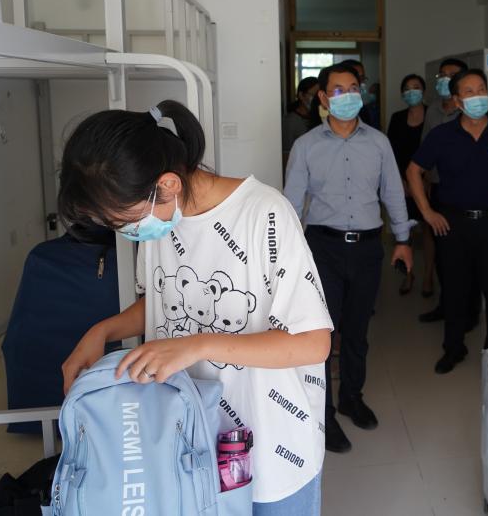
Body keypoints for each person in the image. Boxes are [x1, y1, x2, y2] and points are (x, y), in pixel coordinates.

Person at [58, 100, 332, 515]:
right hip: (187, 443)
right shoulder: (159, 220)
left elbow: (313, 343)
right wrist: (102, 332)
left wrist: (198, 344)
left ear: (167, 184)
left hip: (272, 447)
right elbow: (160, 302)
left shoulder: (265, 213)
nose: (127, 231)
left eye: (124, 221)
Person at [285, 63, 414, 453]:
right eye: (338, 90)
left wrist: (403, 240)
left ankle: (351, 398)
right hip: (322, 248)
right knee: (322, 334)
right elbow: (291, 204)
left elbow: (393, 192)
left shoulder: (379, 143)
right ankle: (323, 414)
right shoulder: (306, 145)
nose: (347, 96)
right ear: (324, 98)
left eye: (353, 87)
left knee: (357, 331)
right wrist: (287, 256)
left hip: (368, 248)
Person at [407, 68, 488, 373]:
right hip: (452, 224)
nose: (478, 96)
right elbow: (413, 170)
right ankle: (453, 349)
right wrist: (427, 212)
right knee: (455, 290)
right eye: (469, 92)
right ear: (456, 101)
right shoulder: (442, 135)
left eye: (481, 89)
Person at [417, 57, 468, 322]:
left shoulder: (471, 111)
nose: (446, 79)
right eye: (442, 75)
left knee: (465, 255)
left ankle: (467, 311)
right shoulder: (433, 111)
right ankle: (445, 305)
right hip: (437, 189)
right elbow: (423, 155)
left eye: (452, 74)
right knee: (443, 254)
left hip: (463, 193)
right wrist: (426, 189)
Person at [386, 73, 435, 296]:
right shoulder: (397, 118)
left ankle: (428, 276)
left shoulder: (432, 115)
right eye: (407, 88)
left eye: (416, 87)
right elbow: (390, 153)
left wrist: (425, 180)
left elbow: (438, 150)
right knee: (404, 230)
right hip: (402, 183)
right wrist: (402, 181)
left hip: (427, 182)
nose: (411, 91)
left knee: (428, 230)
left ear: (423, 91)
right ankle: (408, 274)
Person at [282, 76, 318, 166]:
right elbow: (286, 156)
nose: (317, 100)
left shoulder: (319, 118)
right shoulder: (290, 122)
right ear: (301, 95)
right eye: (314, 95)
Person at [339, 59, 381, 129]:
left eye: (362, 78)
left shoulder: (363, 109)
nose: (361, 82)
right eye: (357, 78)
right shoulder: (335, 107)